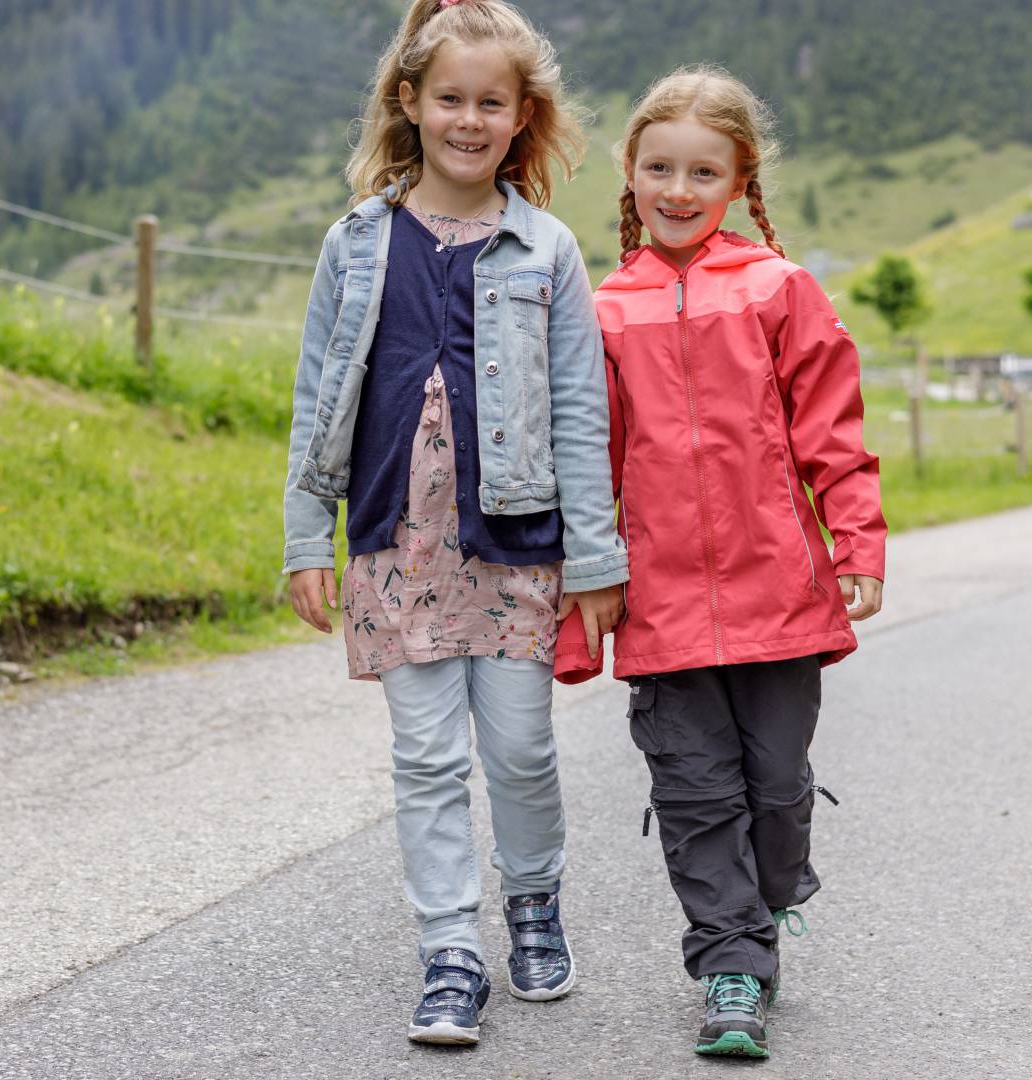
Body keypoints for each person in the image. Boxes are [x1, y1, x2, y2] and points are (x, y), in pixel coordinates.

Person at [280, 0, 626, 1047]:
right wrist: (307, 535)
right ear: (409, 102)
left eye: (492, 103)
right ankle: (450, 953)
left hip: (517, 545)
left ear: (523, 117)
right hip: (396, 538)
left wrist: (599, 558)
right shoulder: (355, 244)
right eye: (450, 100)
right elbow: (317, 396)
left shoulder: (546, 247)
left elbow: (578, 407)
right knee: (426, 758)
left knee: (519, 749)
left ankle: (532, 898)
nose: (469, 120)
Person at [559, 64, 886, 1059]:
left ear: (740, 178)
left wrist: (856, 540)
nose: (679, 188)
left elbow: (832, 426)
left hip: (779, 589)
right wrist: (583, 584)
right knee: (694, 792)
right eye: (660, 166)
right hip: (659, 604)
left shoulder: (779, 289)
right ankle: (731, 967)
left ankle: (771, 894)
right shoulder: (605, 307)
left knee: (776, 786)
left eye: (705, 170)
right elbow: (588, 456)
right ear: (630, 171)